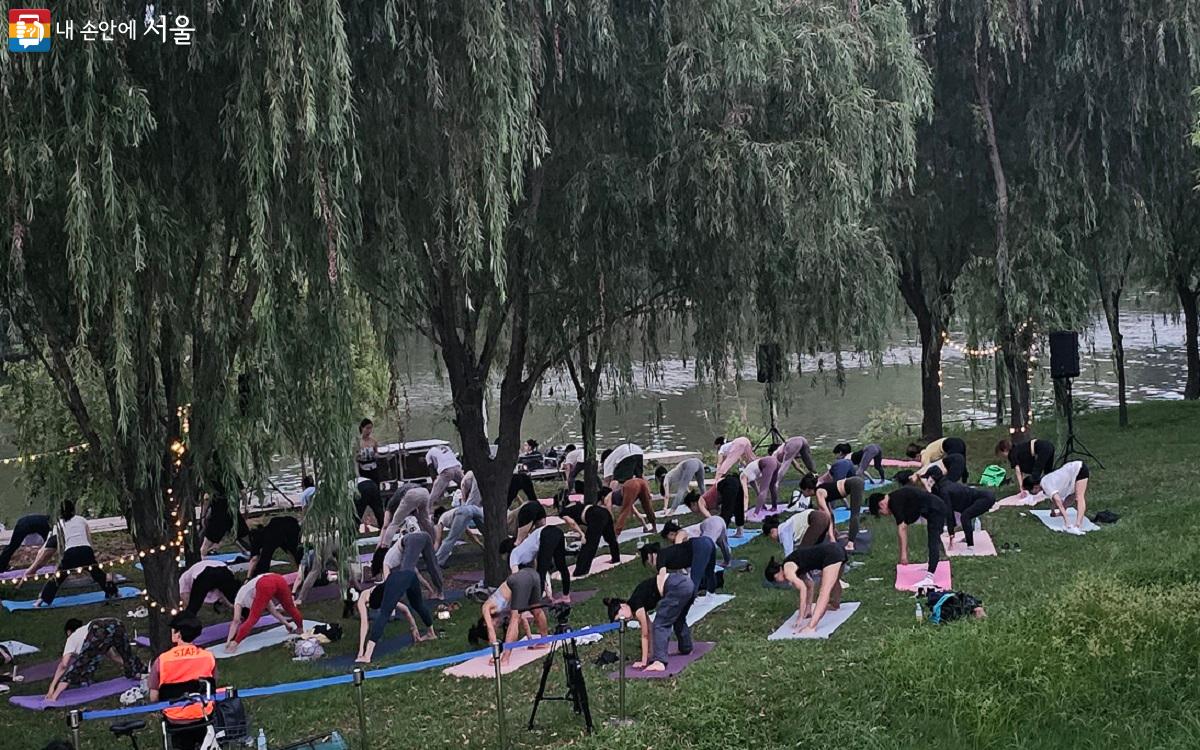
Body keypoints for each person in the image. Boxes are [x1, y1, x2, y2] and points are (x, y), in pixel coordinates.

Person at [148, 614, 217, 750]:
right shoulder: (208, 657)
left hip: (175, 718)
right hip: (203, 715)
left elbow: (153, 697)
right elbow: (212, 687)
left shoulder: (162, 661)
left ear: (178, 634)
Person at [605, 571, 695, 672]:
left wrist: (643, 661)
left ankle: (659, 662)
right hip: (686, 583)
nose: (624, 620)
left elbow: (645, 634)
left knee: (660, 623)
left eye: (621, 617)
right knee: (678, 618)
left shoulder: (636, 605)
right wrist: (649, 654)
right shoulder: (637, 603)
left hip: (676, 585)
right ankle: (686, 648)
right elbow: (649, 629)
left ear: (622, 606)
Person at [36, 501, 117, 607]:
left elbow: (60, 543)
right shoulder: (81, 520)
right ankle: (113, 592)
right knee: (97, 573)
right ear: (73, 510)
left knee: (58, 576)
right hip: (85, 550)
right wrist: (91, 554)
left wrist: (61, 559)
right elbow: (88, 538)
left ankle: (42, 600)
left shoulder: (59, 524)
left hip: (71, 552)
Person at [868, 483, 950, 587]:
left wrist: (903, 554)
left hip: (936, 509)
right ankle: (934, 560)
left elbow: (902, 528)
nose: (885, 515)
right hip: (935, 507)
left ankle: (930, 577)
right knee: (935, 538)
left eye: (881, 513)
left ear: (881, 504)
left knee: (933, 541)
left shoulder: (894, 503)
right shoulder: (895, 497)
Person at [45, 618, 145, 702]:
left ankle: (54, 697)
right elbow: (113, 656)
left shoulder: (72, 638)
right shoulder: (86, 634)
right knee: (127, 655)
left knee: (78, 666)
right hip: (117, 624)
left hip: (97, 628)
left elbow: (64, 664)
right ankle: (142, 672)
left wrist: (52, 686)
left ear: (68, 632)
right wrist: (130, 666)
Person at [354, 566, 437, 664]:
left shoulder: (362, 597)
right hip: (409, 576)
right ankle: (431, 633)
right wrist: (413, 627)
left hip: (396, 580)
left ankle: (367, 655)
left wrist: (361, 651)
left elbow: (364, 624)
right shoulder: (388, 595)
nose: (367, 607)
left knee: (384, 614)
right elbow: (405, 610)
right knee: (417, 604)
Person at [470, 567, 550, 665]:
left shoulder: (486, 607)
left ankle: (505, 659)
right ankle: (545, 641)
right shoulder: (503, 610)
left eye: (495, 626)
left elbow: (491, 633)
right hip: (531, 574)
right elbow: (523, 618)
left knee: (514, 620)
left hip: (519, 580)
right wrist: (530, 640)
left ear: (485, 623)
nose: (497, 627)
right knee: (536, 610)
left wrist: (495, 654)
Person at [764, 542, 847, 634]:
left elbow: (802, 588)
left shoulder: (787, 570)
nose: (779, 581)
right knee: (833, 581)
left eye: (776, 579)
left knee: (824, 591)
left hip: (831, 554)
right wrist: (808, 609)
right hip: (836, 549)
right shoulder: (794, 566)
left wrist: (800, 616)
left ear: (778, 571)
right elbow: (810, 585)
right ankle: (835, 604)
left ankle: (811, 626)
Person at [922, 466, 996, 553]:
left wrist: (951, 533)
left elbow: (949, 512)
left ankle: (970, 547)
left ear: (933, 478)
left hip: (986, 499)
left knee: (965, 516)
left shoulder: (944, 490)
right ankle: (968, 537)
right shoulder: (940, 486)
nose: (927, 480)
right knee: (966, 514)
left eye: (928, 477)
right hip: (979, 498)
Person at [226, 573, 305, 653]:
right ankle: (300, 628)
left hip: (265, 583)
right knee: (290, 607)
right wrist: (287, 624)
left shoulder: (238, 600)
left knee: (253, 618)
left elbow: (236, 621)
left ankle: (234, 644)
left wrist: (230, 641)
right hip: (278, 579)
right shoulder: (255, 593)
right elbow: (273, 611)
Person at [798, 474, 867, 552]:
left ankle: (850, 544)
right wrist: (834, 532)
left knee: (855, 514)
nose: (802, 494)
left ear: (807, 489)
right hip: (855, 482)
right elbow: (830, 513)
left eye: (802, 491)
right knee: (854, 514)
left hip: (855, 483)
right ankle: (845, 539)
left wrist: (831, 537)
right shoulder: (820, 490)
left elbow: (827, 517)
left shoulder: (819, 493)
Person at [507, 522, 572, 600]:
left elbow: (516, 579)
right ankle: (566, 596)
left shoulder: (513, 555)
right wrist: (549, 595)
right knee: (561, 565)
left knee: (541, 572)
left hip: (546, 533)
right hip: (557, 531)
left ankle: (535, 603)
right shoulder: (525, 551)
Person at [558, 497, 621, 577]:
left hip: (595, 516)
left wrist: (582, 534)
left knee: (589, 544)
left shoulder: (563, 513)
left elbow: (572, 523)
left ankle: (580, 571)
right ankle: (616, 558)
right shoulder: (575, 505)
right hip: (603, 512)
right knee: (610, 538)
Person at [1023, 460, 1091, 534]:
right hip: (1071, 475)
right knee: (1071, 496)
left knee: (1079, 497)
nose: (1031, 493)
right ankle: (1063, 515)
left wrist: (1067, 522)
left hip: (1079, 469)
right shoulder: (1044, 484)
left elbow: (1059, 502)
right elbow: (1054, 499)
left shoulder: (1046, 485)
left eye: (1030, 490)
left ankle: (1078, 524)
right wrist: (1053, 511)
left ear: (1035, 487)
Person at [640, 535, 718, 597]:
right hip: (706, 541)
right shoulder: (664, 553)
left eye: (648, 560)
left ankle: (691, 601)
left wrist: (661, 594)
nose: (649, 564)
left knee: (695, 578)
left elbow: (662, 576)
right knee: (709, 572)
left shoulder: (660, 558)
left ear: (650, 555)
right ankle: (711, 594)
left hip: (699, 547)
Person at [382, 530, 444, 599]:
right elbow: (419, 577)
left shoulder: (387, 562)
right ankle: (440, 592)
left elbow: (387, 582)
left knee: (405, 574)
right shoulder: (406, 560)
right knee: (432, 565)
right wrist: (430, 590)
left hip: (411, 539)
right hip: (424, 535)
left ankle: (395, 599)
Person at [200, 481, 250, 557]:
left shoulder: (211, 477)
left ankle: (203, 563)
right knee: (245, 538)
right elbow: (243, 492)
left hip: (218, 516)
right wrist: (246, 507)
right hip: (233, 513)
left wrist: (203, 515)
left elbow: (207, 498)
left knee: (205, 546)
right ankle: (255, 558)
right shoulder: (232, 474)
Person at [761, 508, 834, 558]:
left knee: (802, 554)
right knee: (815, 549)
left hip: (816, 520)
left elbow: (789, 553)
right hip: (822, 517)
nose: (773, 539)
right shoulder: (786, 525)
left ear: (772, 531)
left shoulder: (783, 531)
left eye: (770, 536)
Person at [661, 517, 731, 566]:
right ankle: (727, 562)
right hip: (718, 520)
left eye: (668, 538)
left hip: (711, 524)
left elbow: (677, 549)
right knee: (722, 544)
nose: (669, 541)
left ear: (671, 533)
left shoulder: (680, 533)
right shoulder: (684, 532)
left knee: (707, 548)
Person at [435, 503, 485, 567]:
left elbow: (438, 540)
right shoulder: (451, 515)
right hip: (473, 508)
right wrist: (480, 544)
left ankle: (438, 561)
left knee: (450, 539)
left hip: (463, 511)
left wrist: (433, 552)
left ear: (438, 515)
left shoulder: (441, 519)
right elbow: (469, 533)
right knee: (487, 531)